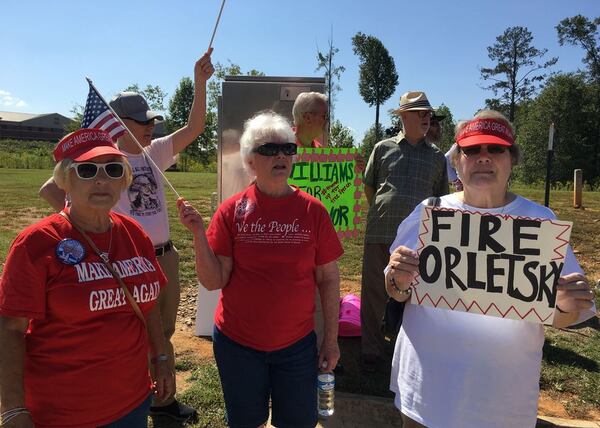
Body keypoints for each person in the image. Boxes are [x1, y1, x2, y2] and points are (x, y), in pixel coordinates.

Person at [385, 110, 597, 428]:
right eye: (472, 150)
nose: (483, 157)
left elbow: (560, 315)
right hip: (425, 394)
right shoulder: (430, 212)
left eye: (495, 149)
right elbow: (397, 292)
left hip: (501, 403)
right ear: (457, 161)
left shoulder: (541, 222)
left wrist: (565, 305)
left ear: (512, 159)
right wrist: (396, 279)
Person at [38, 50, 214, 421]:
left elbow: (195, 127)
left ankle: (160, 399)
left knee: (163, 328)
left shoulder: (155, 152)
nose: (150, 126)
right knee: (132, 332)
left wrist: (200, 83)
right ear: (118, 122)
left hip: (162, 256)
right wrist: (83, 225)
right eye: (141, 121)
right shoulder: (104, 160)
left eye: (151, 120)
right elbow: (51, 189)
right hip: (122, 258)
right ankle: (141, 396)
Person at [177, 111, 343, 428]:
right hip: (238, 346)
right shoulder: (232, 210)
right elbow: (213, 281)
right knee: (245, 421)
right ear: (251, 160)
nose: (280, 155)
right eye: (269, 149)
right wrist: (200, 234)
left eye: (287, 148)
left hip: (296, 347)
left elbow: (329, 278)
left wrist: (331, 341)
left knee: (297, 421)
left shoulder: (314, 211)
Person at [0, 129, 173, 428]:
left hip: (132, 402)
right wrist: (13, 408)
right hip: (62, 412)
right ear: (66, 179)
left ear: (124, 179)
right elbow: (10, 329)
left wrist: (160, 357)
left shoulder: (135, 234)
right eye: (87, 169)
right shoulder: (36, 243)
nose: (101, 179)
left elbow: (149, 306)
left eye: (113, 169)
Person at [361, 91, 448, 372]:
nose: (427, 119)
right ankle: (371, 349)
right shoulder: (382, 148)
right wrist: (385, 209)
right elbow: (370, 187)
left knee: (412, 292)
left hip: (417, 240)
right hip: (380, 230)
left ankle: (404, 349)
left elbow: (440, 200)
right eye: (420, 113)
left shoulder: (437, 158)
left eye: (428, 114)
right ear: (404, 117)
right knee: (374, 290)